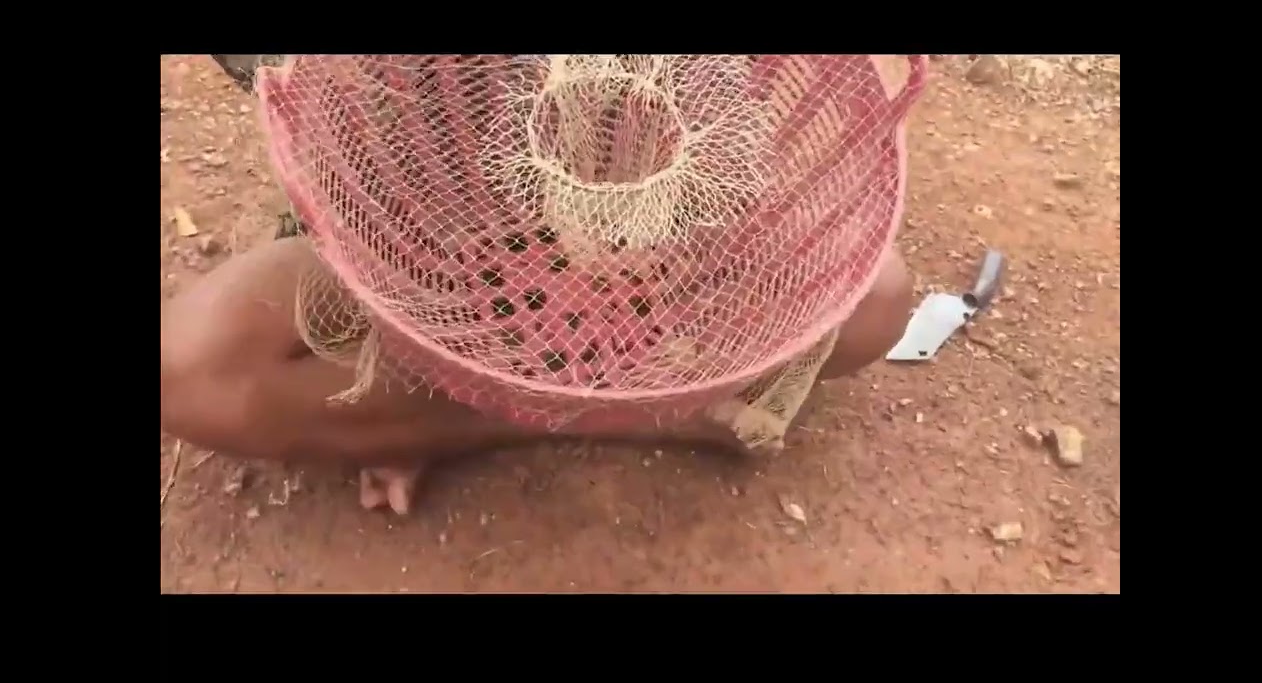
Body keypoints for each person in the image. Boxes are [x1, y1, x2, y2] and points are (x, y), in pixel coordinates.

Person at [159, 56, 917, 515]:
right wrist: (401, 309)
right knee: (190, 370)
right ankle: (633, 412)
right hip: (418, 223)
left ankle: (431, 420)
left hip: (658, 210)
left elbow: (739, 110)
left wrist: (657, 214)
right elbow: (315, 108)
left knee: (875, 301)